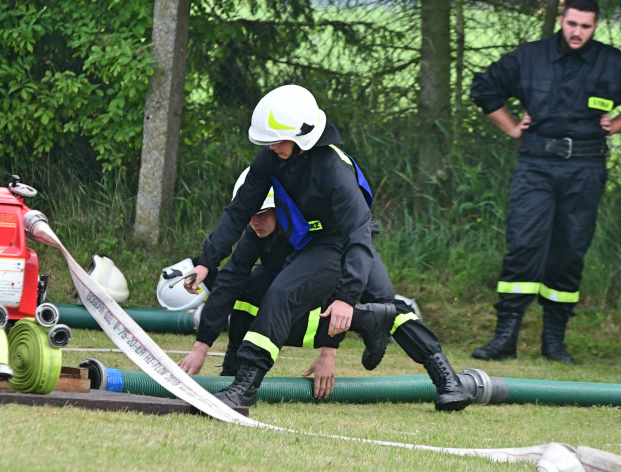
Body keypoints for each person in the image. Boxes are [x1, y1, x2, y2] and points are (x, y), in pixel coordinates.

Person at [178, 168, 472, 412]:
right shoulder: (255, 234)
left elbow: (337, 285)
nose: (254, 221)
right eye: (250, 215)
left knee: (394, 312)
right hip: (315, 291)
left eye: (262, 213)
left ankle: (447, 380)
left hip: (353, 261)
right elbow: (229, 281)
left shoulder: (314, 232)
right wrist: (200, 347)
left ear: (282, 208)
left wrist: (328, 354)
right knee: (248, 288)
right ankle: (234, 372)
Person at [180, 84, 398, 408]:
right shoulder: (272, 158)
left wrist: (347, 298)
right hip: (311, 243)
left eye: (278, 140)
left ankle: (245, 389)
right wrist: (207, 261)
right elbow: (240, 209)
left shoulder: (333, 169)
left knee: (282, 293)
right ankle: (370, 320)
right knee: (276, 293)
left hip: (340, 244)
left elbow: (358, 233)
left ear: (303, 137)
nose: (272, 147)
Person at [469, 0, 621, 364]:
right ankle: (505, 338)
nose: (577, 32)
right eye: (572, 23)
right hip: (536, 166)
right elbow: (483, 87)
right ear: (561, 20)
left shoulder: (613, 64)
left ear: (595, 26)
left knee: (569, 252)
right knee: (523, 246)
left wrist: (619, 123)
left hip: (586, 168)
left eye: (585, 26)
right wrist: (512, 128)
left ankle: (554, 343)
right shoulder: (530, 58)